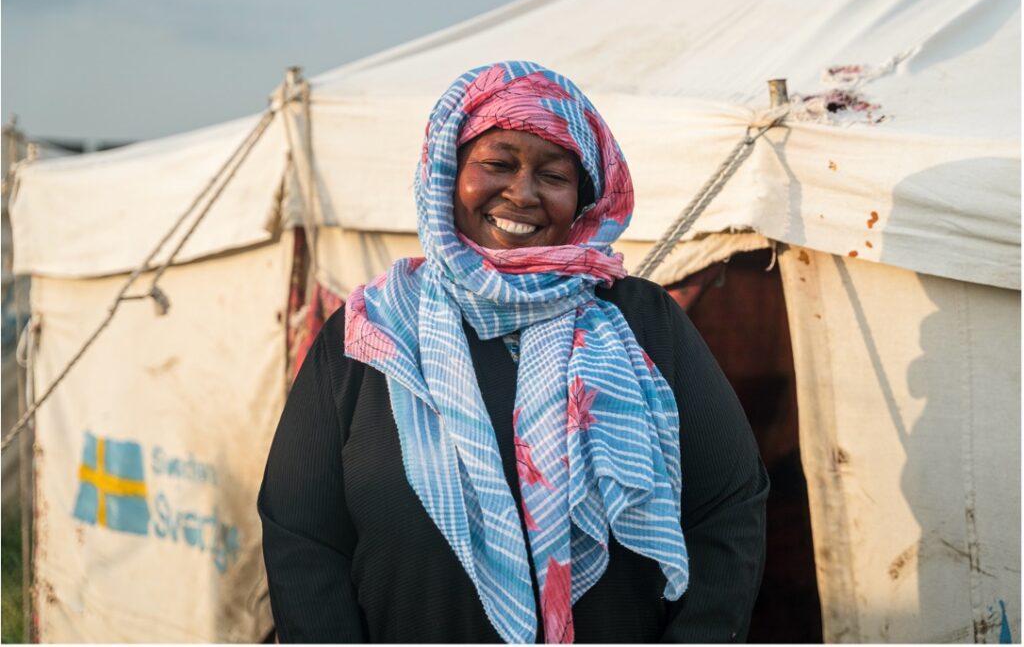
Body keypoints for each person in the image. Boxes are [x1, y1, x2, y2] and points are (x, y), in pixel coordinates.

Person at [258, 61, 768, 644]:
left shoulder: (641, 322)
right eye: (497, 164)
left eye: (553, 175)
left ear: (582, 197)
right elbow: (302, 535)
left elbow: (728, 508)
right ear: (447, 173)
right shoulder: (370, 332)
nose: (521, 194)